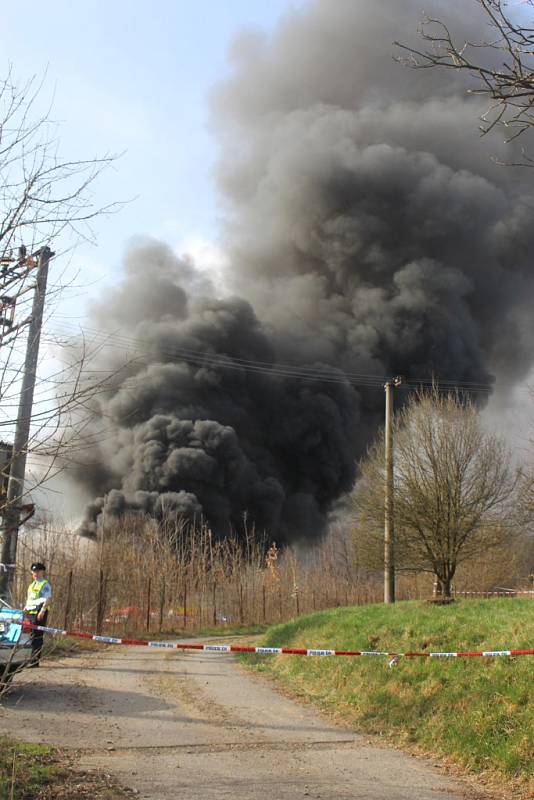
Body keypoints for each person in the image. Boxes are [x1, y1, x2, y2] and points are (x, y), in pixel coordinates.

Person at [24, 562, 52, 667]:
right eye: (34, 571)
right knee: (30, 636)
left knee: (37, 636)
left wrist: (42, 611)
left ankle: (35, 661)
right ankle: (30, 659)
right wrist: (25, 609)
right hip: (30, 613)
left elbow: (48, 599)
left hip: (39, 613)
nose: (35, 573)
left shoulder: (44, 584)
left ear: (42, 572)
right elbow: (29, 600)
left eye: (37, 571)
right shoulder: (31, 585)